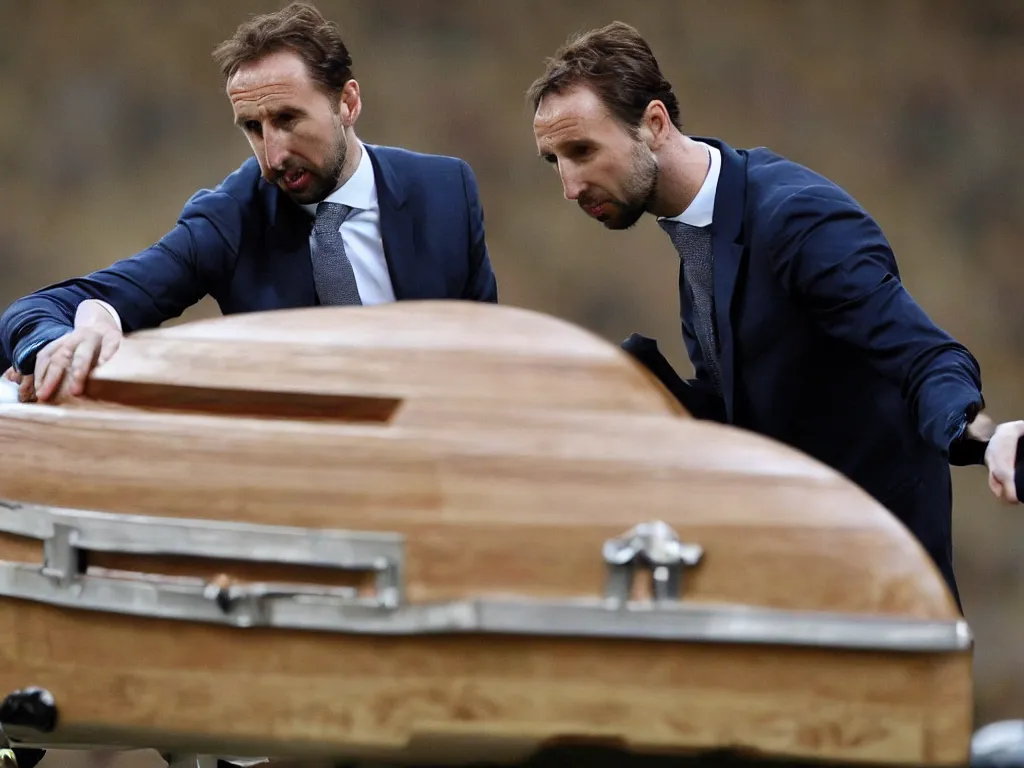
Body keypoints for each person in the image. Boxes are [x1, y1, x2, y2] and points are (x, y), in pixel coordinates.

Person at [526, 20, 1020, 604]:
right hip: (797, 573)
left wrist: (984, 437)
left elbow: (923, 356)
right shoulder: (699, 234)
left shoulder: (796, 219)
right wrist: (623, 385)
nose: (570, 184)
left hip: (883, 581)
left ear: (654, 124)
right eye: (553, 160)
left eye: (582, 150)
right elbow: (748, 407)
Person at [0, 2, 497, 403]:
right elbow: (40, 309)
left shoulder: (445, 189)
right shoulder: (228, 219)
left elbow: (493, 349)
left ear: (347, 103)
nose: (273, 155)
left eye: (288, 118)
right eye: (253, 128)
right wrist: (60, 345)